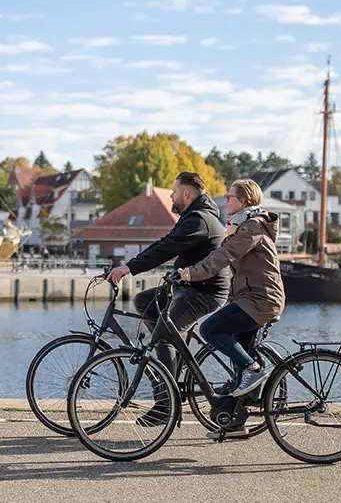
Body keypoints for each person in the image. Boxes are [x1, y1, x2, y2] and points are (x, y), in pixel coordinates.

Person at [107, 171, 232, 426]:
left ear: (187, 193)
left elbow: (165, 250)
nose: (172, 196)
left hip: (204, 291)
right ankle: (172, 366)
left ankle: (166, 404)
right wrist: (129, 265)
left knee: (163, 334)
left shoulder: (200, 219)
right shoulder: (193, 216)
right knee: (143, 302)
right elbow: (164, 242)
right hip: (187, 287)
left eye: (174, 192)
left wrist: (128, 269)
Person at [179, 178, 286, 411]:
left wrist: (191, 273)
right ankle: (236, 418)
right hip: (252, 298)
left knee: (210, 329)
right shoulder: (242, 226)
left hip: (260, 300)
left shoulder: (252, 227)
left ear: (245, 200)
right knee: (237, 352)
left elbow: (224, 255)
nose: (226, 199)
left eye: (230, 196)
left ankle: (253, 369)